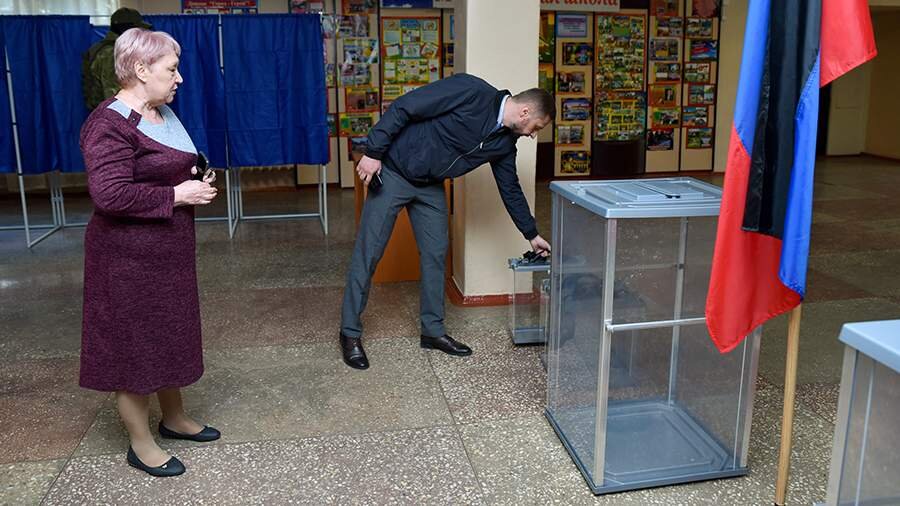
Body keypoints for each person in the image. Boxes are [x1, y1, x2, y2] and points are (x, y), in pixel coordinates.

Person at [340, 73, 554, 370]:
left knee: (436, 253)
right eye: (536, 128)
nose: (533, 135)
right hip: (394, 171)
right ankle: (349, 332)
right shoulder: (472, 91)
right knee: (370, 251)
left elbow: (510, 189)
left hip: (430, 186)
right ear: (525, 112)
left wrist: (531, 234)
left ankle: (433, 331)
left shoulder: (505, 143)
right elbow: (406, 106)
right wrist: (374, 151)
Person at [79, 28, 220, 477]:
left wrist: (196, 178)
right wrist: (178, 195)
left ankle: (174, 418)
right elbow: (110, 194)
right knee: (135, 349)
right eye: (171, 70)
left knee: (169, 335)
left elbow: (168, 165)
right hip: (126, 260)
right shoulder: (108, 123)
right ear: (141, 70)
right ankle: (140, 444)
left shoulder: (161, 112)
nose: (180, 79)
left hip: (168, 254)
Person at [82, 7, 151, 110]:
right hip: (114, 115)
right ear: (125, 29)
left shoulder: (110, 49)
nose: (139, 34)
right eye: (136, 30)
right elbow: (114, 98)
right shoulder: (111, 53)